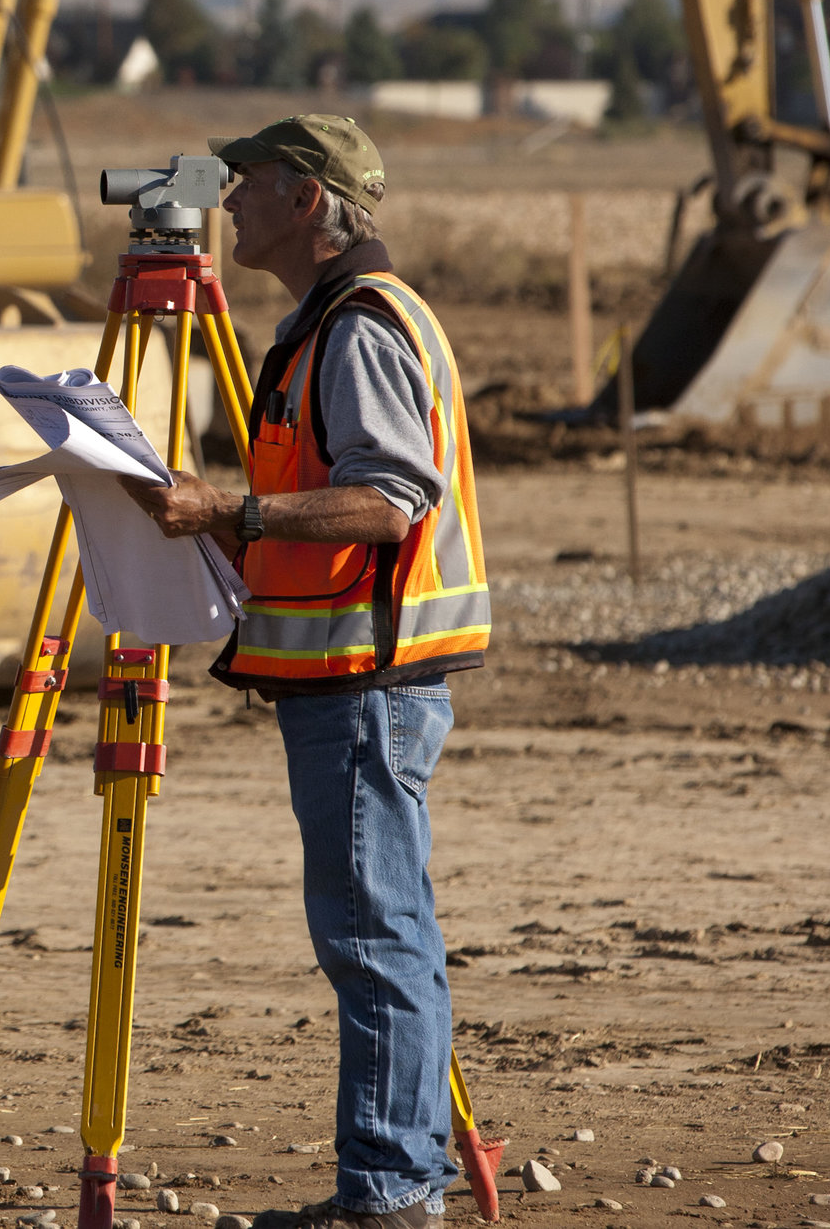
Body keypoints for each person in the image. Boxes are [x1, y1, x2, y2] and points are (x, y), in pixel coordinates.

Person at [119, 113, 489, 1229]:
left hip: (365, 685)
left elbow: (387, 498)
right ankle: (400, 1179)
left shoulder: (359, 327)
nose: (225, 200)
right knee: (388, 932)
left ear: (309, 200)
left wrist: (228, 506)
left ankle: (386, 1192)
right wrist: (227, 528)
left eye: (250, 182)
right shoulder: (327, 322)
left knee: (372, 937)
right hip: (350, 681)